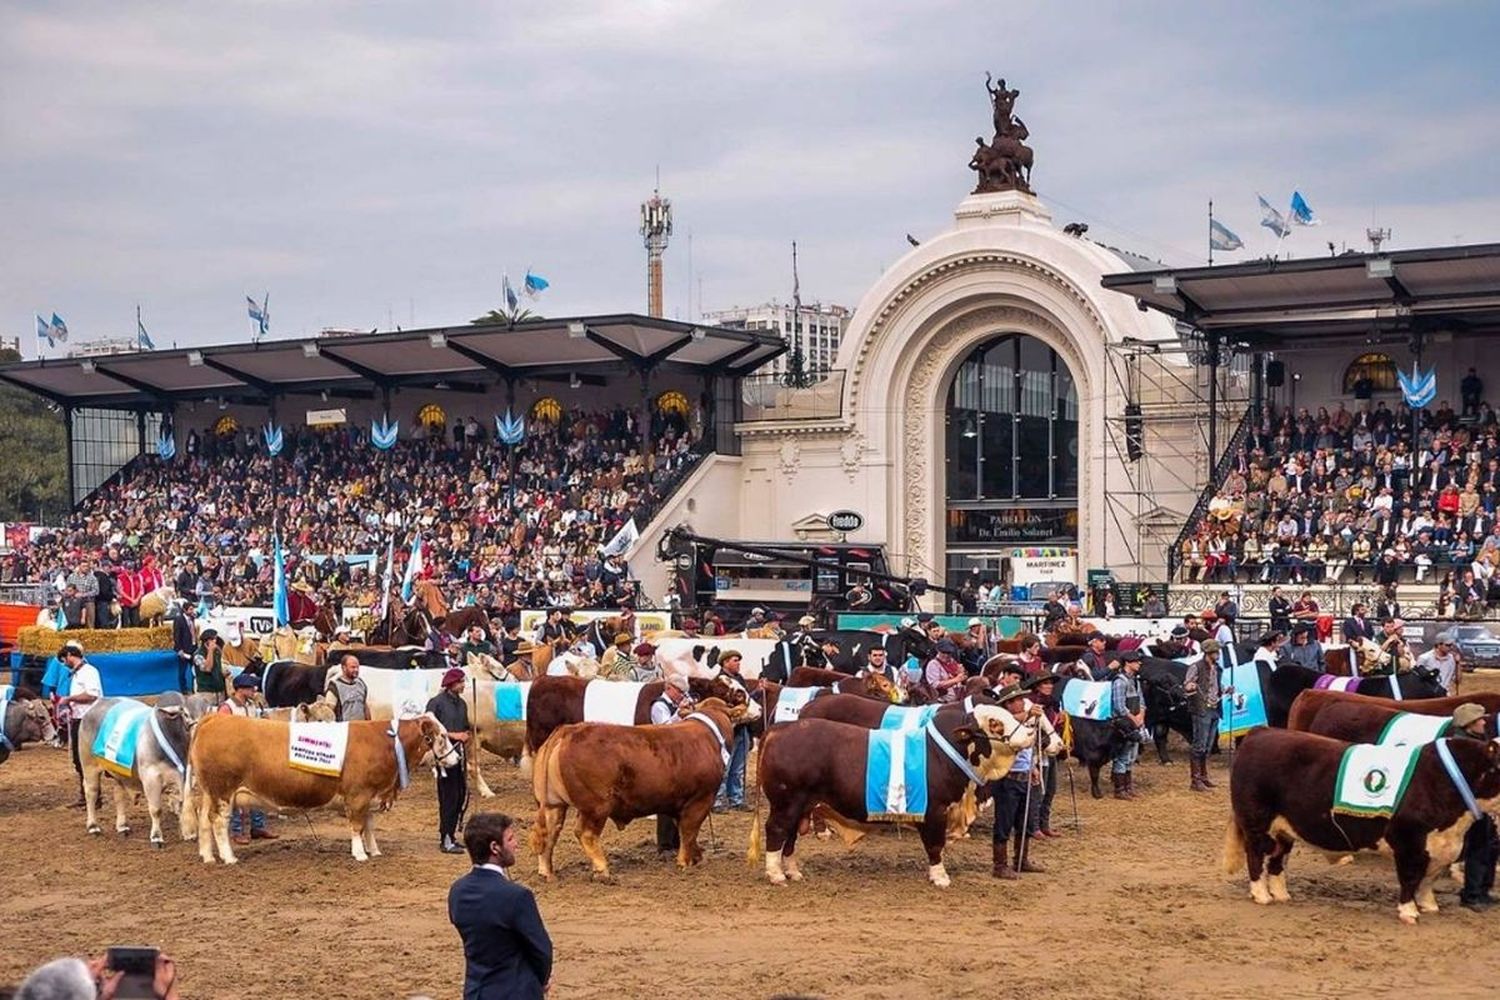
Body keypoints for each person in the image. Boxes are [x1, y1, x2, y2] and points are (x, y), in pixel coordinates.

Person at [448, 812, 553, 999]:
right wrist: (542, 980)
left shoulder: (457, 891)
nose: (516, 844)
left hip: (477, 992)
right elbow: (541, 949)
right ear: (494, 847)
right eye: (510, 839)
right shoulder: (517, 896)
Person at [988, 683, 1044, 879]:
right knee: (1004, 822)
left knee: (1025, 821)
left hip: (1025, 774)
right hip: (1007, 779)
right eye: (1018, 700)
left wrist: (1033, 766)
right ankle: (1000, 865)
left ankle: (1021, 859)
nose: (1023, 702)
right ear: (1008, 704)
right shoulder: (999, 722)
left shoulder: (1025, 720)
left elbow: (1029, 747)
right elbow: (1003, 730)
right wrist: (1026, 716)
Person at [219, 674, 277, 843]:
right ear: (241, 689)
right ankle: (236, 830)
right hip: (234, 755)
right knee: (236, 793)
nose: (254, 690)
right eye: (250, 688)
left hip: (251, 754)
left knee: (257, 790)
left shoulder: (251, 706)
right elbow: (222, 732)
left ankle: (257, 826)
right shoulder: (227, 708)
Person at [426, 668, 473, 854]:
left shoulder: (462, 704)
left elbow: (464, 727)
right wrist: (455, 735)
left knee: (460, 795)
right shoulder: (436, 703)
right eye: (460, 682)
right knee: (448, 799)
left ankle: (452, 835)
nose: (463, 685)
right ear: (451, 683)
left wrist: (466, 735)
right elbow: (430, 729)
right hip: (444, 758)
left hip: (459, 755)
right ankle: (445, 838)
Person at [650, 674, 692, 854]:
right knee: (665, 799)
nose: (681, 696)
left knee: (678, 799)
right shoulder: (659, 705)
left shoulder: (675, 704)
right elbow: (664, 729)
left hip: (676, 756)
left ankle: (675, 841)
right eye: (679, 692)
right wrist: (679, 714)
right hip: (663, 754)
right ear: (669, 688)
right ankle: (665, 843)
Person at [59, 640, 102, 808]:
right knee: (79, 759)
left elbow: (92, 695)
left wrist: (69, 699)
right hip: (79, 718)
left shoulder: (89, 672)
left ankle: (94, 797)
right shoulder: (78, 673)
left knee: (88, 759)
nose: (64, 664)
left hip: (88, 720)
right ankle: (86, 795)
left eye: (64, 659)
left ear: (70, 655)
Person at [1023, 672, 1063, 837]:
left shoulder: (1052, 705)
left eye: (1050, 683)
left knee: (1051, 788)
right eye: (1045, 683)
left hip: (1050, 750)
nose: (1049, 686)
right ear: (1037, 686)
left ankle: (1044, 823)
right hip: (1037, 752)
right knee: (1038, 790)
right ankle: (1033, 826)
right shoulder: (1030, 705)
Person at [713, 650, 753, 811]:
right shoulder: (719, 683)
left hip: (742, 726)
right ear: (725, 663)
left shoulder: (739, 679)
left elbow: (747, 702)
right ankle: (719, 799)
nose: (738, 663)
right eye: (735, 660)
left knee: (738, 766)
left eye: (738, 660)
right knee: (725, 765)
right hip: (728, 729)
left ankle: (736, 798)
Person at [1182, 639, 1221, 793]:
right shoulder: (1196, 667)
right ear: (1208, 653)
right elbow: (1187, 685)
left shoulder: (1216, 668)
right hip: (1201, 709)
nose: (1218, 654)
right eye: (1215, 652)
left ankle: (1203, 777)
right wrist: (1190, 686)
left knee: (1207, 746)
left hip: (1214, 708)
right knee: (1199, 745)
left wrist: (1225, 690)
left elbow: (1215, 686)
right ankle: (1195, 780)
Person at [1110, 650, 1146, 800]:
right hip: (1124, 724)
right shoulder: (1119, 682)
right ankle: (1120, 789)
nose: (1139, 664)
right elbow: (1119, 707)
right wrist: (1134, 719)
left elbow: (1142, 701)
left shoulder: (1135, 680)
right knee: (1123, 756)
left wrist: (1141, 716)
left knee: (1131, 756)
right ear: (1128, 663)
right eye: (1136, 661)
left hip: (1134, 721)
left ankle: (1127, 786)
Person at [325, 654, 370, 721]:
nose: (356, 670)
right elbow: (329, 712)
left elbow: (365, 707)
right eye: (353, 667)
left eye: (357, 667)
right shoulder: (334, 687)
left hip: (360, 727)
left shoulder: (361, 684)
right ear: (344, 668)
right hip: (343, 729)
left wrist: (369, 724)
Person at [192, 628, 230, 704]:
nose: (215, 641)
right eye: (214, 639)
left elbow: (221, 665)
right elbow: (208, 668)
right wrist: (210, 650)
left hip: (219, 691)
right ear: (207, 641)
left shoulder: (217, 652)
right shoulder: (198, 655)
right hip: (206, 692)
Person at [1417, 631, 1461, 695]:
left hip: (1444, 694)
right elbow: (1418, 679)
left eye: (1451, 645)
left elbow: (1457, 681)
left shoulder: (1453, 659)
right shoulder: (1424, 658)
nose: (1450, 647)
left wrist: (1458, 664)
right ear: (1439, 645)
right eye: (1448, 645)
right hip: (1428, 695)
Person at [171, 602, 197, 694]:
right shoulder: (179, 620)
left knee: (195, 670)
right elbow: (176, 635)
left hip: (193, 648)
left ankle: (195, 689)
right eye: (190, 609)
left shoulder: (192, 618)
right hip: (184, 649)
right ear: (185, 610)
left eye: (192, 609)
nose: (192, 611)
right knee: (182, 671)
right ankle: (184, 689)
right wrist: (180, 649)